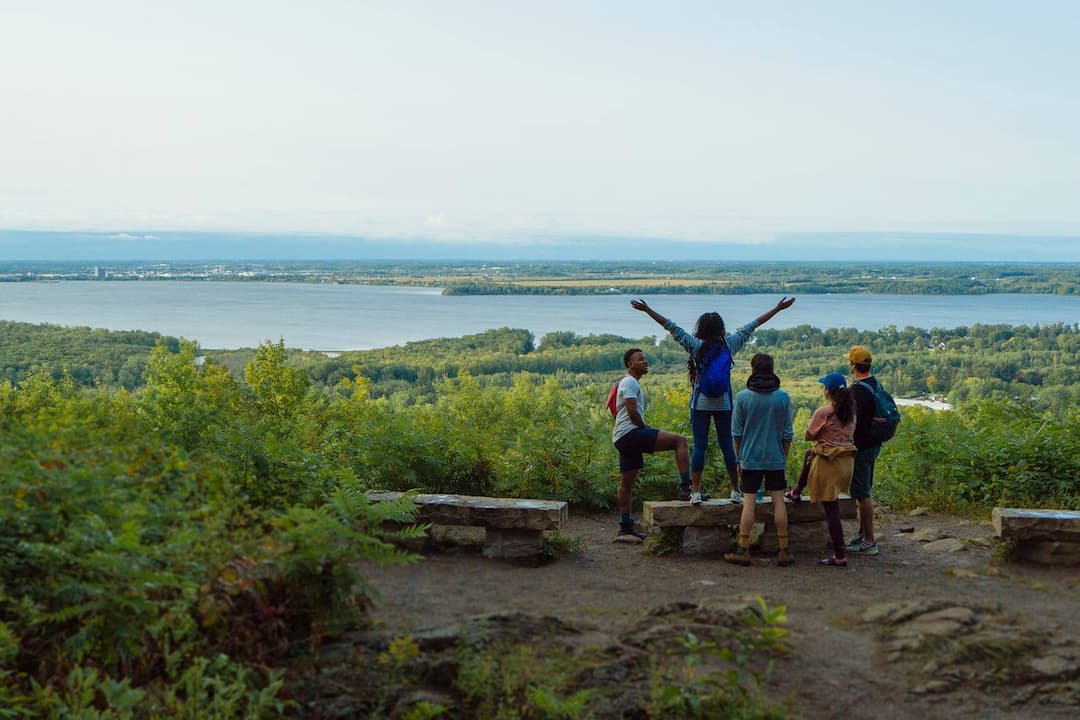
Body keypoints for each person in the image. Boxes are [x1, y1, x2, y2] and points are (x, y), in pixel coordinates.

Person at [630, 296, 796, 505]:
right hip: (724, 403)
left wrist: (647, 310)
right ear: (720, 328)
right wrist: (778, 308)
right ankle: (736, 490)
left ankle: (696, 491)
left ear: (701, 328)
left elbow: (670, 326)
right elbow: (755, 324)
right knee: (727, 446)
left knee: (699, 447)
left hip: (700, 403)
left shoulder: (695, 345)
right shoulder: (730, 344)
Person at [611, 347, 691, 542]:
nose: (645, 362)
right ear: (629, 364)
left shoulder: (626, 381)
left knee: (626, 484)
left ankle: (625, 526)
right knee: (680, 441)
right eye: (640, 359)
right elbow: (631, 410)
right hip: (631, 433)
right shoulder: (630, 382)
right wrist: (644, 427)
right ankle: (686, 488)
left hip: (622, 437)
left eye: (645, 359)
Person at [722, 353, 794, 567]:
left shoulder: (743, 398)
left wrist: (739, 459)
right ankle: (784, 550)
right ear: (772, 369)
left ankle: (743, 549)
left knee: (749, 503)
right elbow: (788, 433)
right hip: (776, 458)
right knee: (779, 501)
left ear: (753, 369)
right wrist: (783, 456)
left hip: (750, 458)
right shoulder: (783, 397)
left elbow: (736, 434)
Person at [802, 372, 858, 567]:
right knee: (810, 455)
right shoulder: (851, 412)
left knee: (831, 511)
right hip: (846, 463)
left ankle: (839, 554)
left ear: (828, 391)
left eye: (824, 387)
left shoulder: (823, 412)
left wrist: (818, 431)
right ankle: (795, 491)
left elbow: (809, 435)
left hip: (829, 464)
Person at [846, 346, 882, 556]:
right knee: (864, 489)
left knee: (862, 494)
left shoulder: (856, 390)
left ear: (853, 365)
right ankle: (862, 533)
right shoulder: (875, 383)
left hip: (861, 446)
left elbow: (851, 421)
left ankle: (869, 541)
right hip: (874, 443)